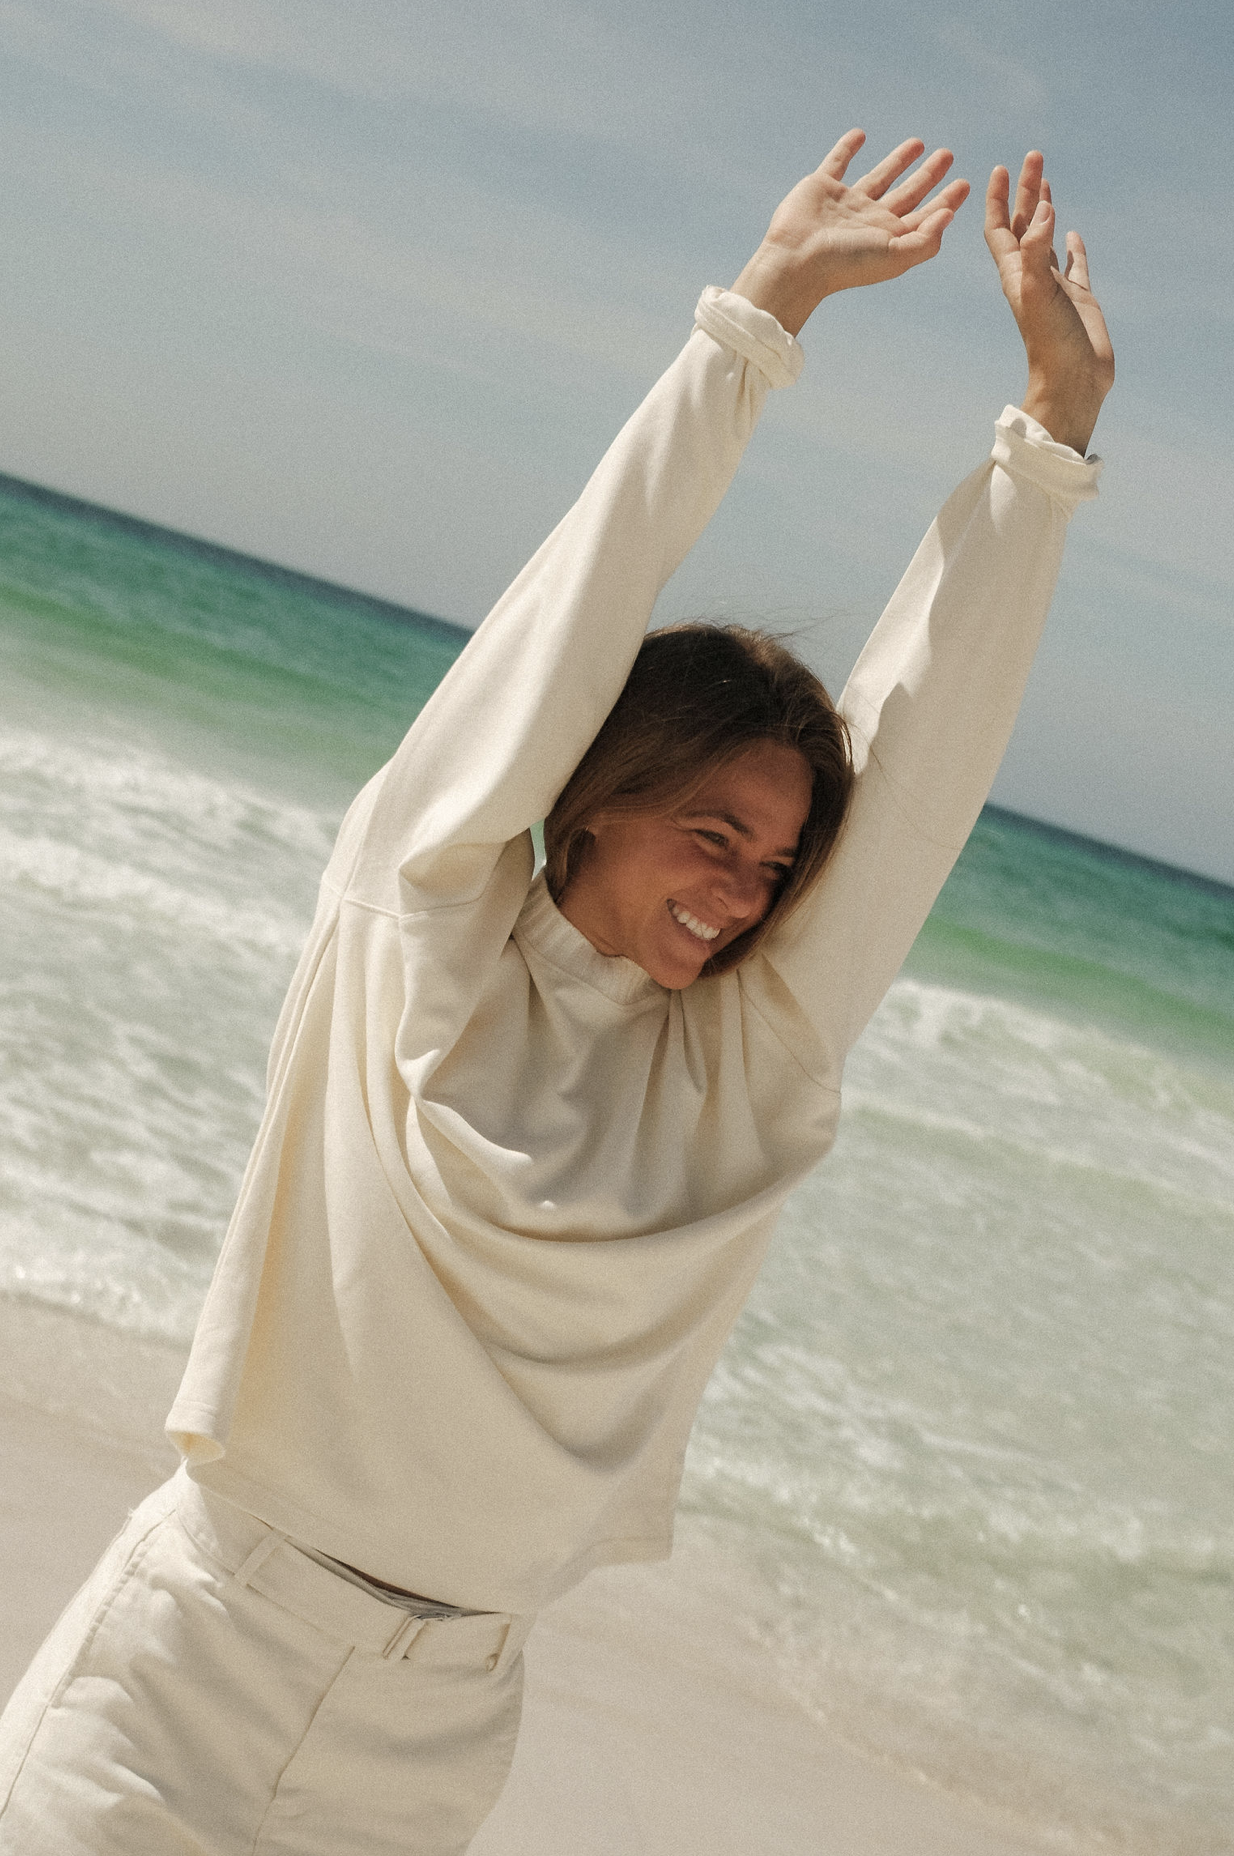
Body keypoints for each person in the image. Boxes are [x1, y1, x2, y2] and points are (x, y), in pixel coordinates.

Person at [0, 131, 1112, 1855]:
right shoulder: (418, 941)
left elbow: (917, 771)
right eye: (708, 831)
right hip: (189, 1667)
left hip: (437, 1737)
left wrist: (1046, 440)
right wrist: (754, 323)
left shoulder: (739, 1074)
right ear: (591, 795)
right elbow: (562, 621)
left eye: (772, 866)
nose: (742, 889)